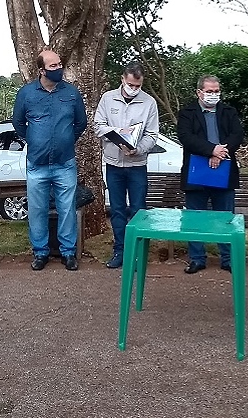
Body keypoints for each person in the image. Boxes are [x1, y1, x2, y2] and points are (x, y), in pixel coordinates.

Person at [12, 49, 87, 272]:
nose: (59, 69)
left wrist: (65, 141)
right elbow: (18, 124)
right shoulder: (26, 94)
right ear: (41, 70)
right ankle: (40, 252)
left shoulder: (72, 93)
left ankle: (68, 253)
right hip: (37, 164)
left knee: (67, 209)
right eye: (53, 66)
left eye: (60, 64)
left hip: (65, 163)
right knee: (37, 210)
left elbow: (80, 124)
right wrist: (36, 142)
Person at [95, 62, 160, 269]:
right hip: (114, 164)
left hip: (137, 165)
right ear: (123, 79)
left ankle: (138, 253)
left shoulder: (149, 103)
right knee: (117, 209)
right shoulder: (107, 98)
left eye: (138, 85)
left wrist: (138, 149)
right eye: (131, 84)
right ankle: (120, 250)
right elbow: (98, 126)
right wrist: (117, 133)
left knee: (139, 210)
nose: (134, 88)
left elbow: (152, 135)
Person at [177, 75, 244, 274]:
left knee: (225, 217)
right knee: (194, 217)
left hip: (224, 168)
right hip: (196, 170)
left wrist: (220, 152)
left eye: (216, 91)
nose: (213, 94)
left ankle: (228, 258)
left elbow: (237, 135)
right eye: (209, 91)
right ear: (199, 92)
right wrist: (211, 150)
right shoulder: (187, 113)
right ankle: (197, 258)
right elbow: (186, 137)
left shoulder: (229, 112)